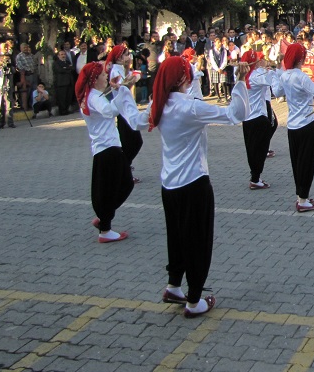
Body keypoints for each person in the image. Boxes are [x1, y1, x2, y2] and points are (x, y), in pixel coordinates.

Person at [136, 56, 249, 317]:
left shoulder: (159, 104)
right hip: (194, 182)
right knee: (198, 240)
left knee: (176, 237)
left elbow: (137, 121)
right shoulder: (190, 107)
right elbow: (235, 114)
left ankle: (174, 285)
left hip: (169, 183)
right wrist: (241, 82)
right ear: (183, 78)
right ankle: (195, 299)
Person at [75, 62, 140, 243]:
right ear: (95, 79)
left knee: (114, 186)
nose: (106, 77)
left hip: (105, 147)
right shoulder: (94, 97)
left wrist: (116, 88)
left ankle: (104, 219)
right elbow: (109, 110)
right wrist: (123, 92)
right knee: (119, 185)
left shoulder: (90, 95)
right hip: (108, 147)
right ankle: (105, 227)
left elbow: (104, 103)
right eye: (103, 75)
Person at [272, 43, 314, 212]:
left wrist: (276, 72)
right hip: (306, 123)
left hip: (292, 124)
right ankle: (303, 199)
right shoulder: (301, 77)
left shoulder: (285, 76)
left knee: (297, 161)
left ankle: (301, 195)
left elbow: (277, 92)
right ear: (301, 59)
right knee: (307, 162)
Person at [104, 45, 144, 184]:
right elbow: (122, 88)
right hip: (122, 110)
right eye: (126, 54)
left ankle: (125, 168)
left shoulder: (120, 68)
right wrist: (133, 79)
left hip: (126, 109)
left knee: (132, 141)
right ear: (119, 57)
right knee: (133, 142)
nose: (128, 57)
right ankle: (123, 169)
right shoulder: (115, 70)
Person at [241, 49, 276, 190]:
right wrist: (270, 68)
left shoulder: (242, 76)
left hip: (247, 118)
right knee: (260, 150)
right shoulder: (255, 75)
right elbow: (271, 80)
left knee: (251, 149)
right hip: (258, 117)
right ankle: (255, 178)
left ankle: (255, 177)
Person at [53, 50, 75, 115]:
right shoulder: (56, 63)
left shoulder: (68, 62)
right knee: (62, 98)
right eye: (61, 54)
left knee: (68, 97)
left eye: (64, 54)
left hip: (69, 82)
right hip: (61, 83)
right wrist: (68, 68)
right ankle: (62, 111)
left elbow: (72, 69)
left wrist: (66, 68)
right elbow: (60, 70)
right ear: (58, 56)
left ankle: (66, 109)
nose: (63, 56)